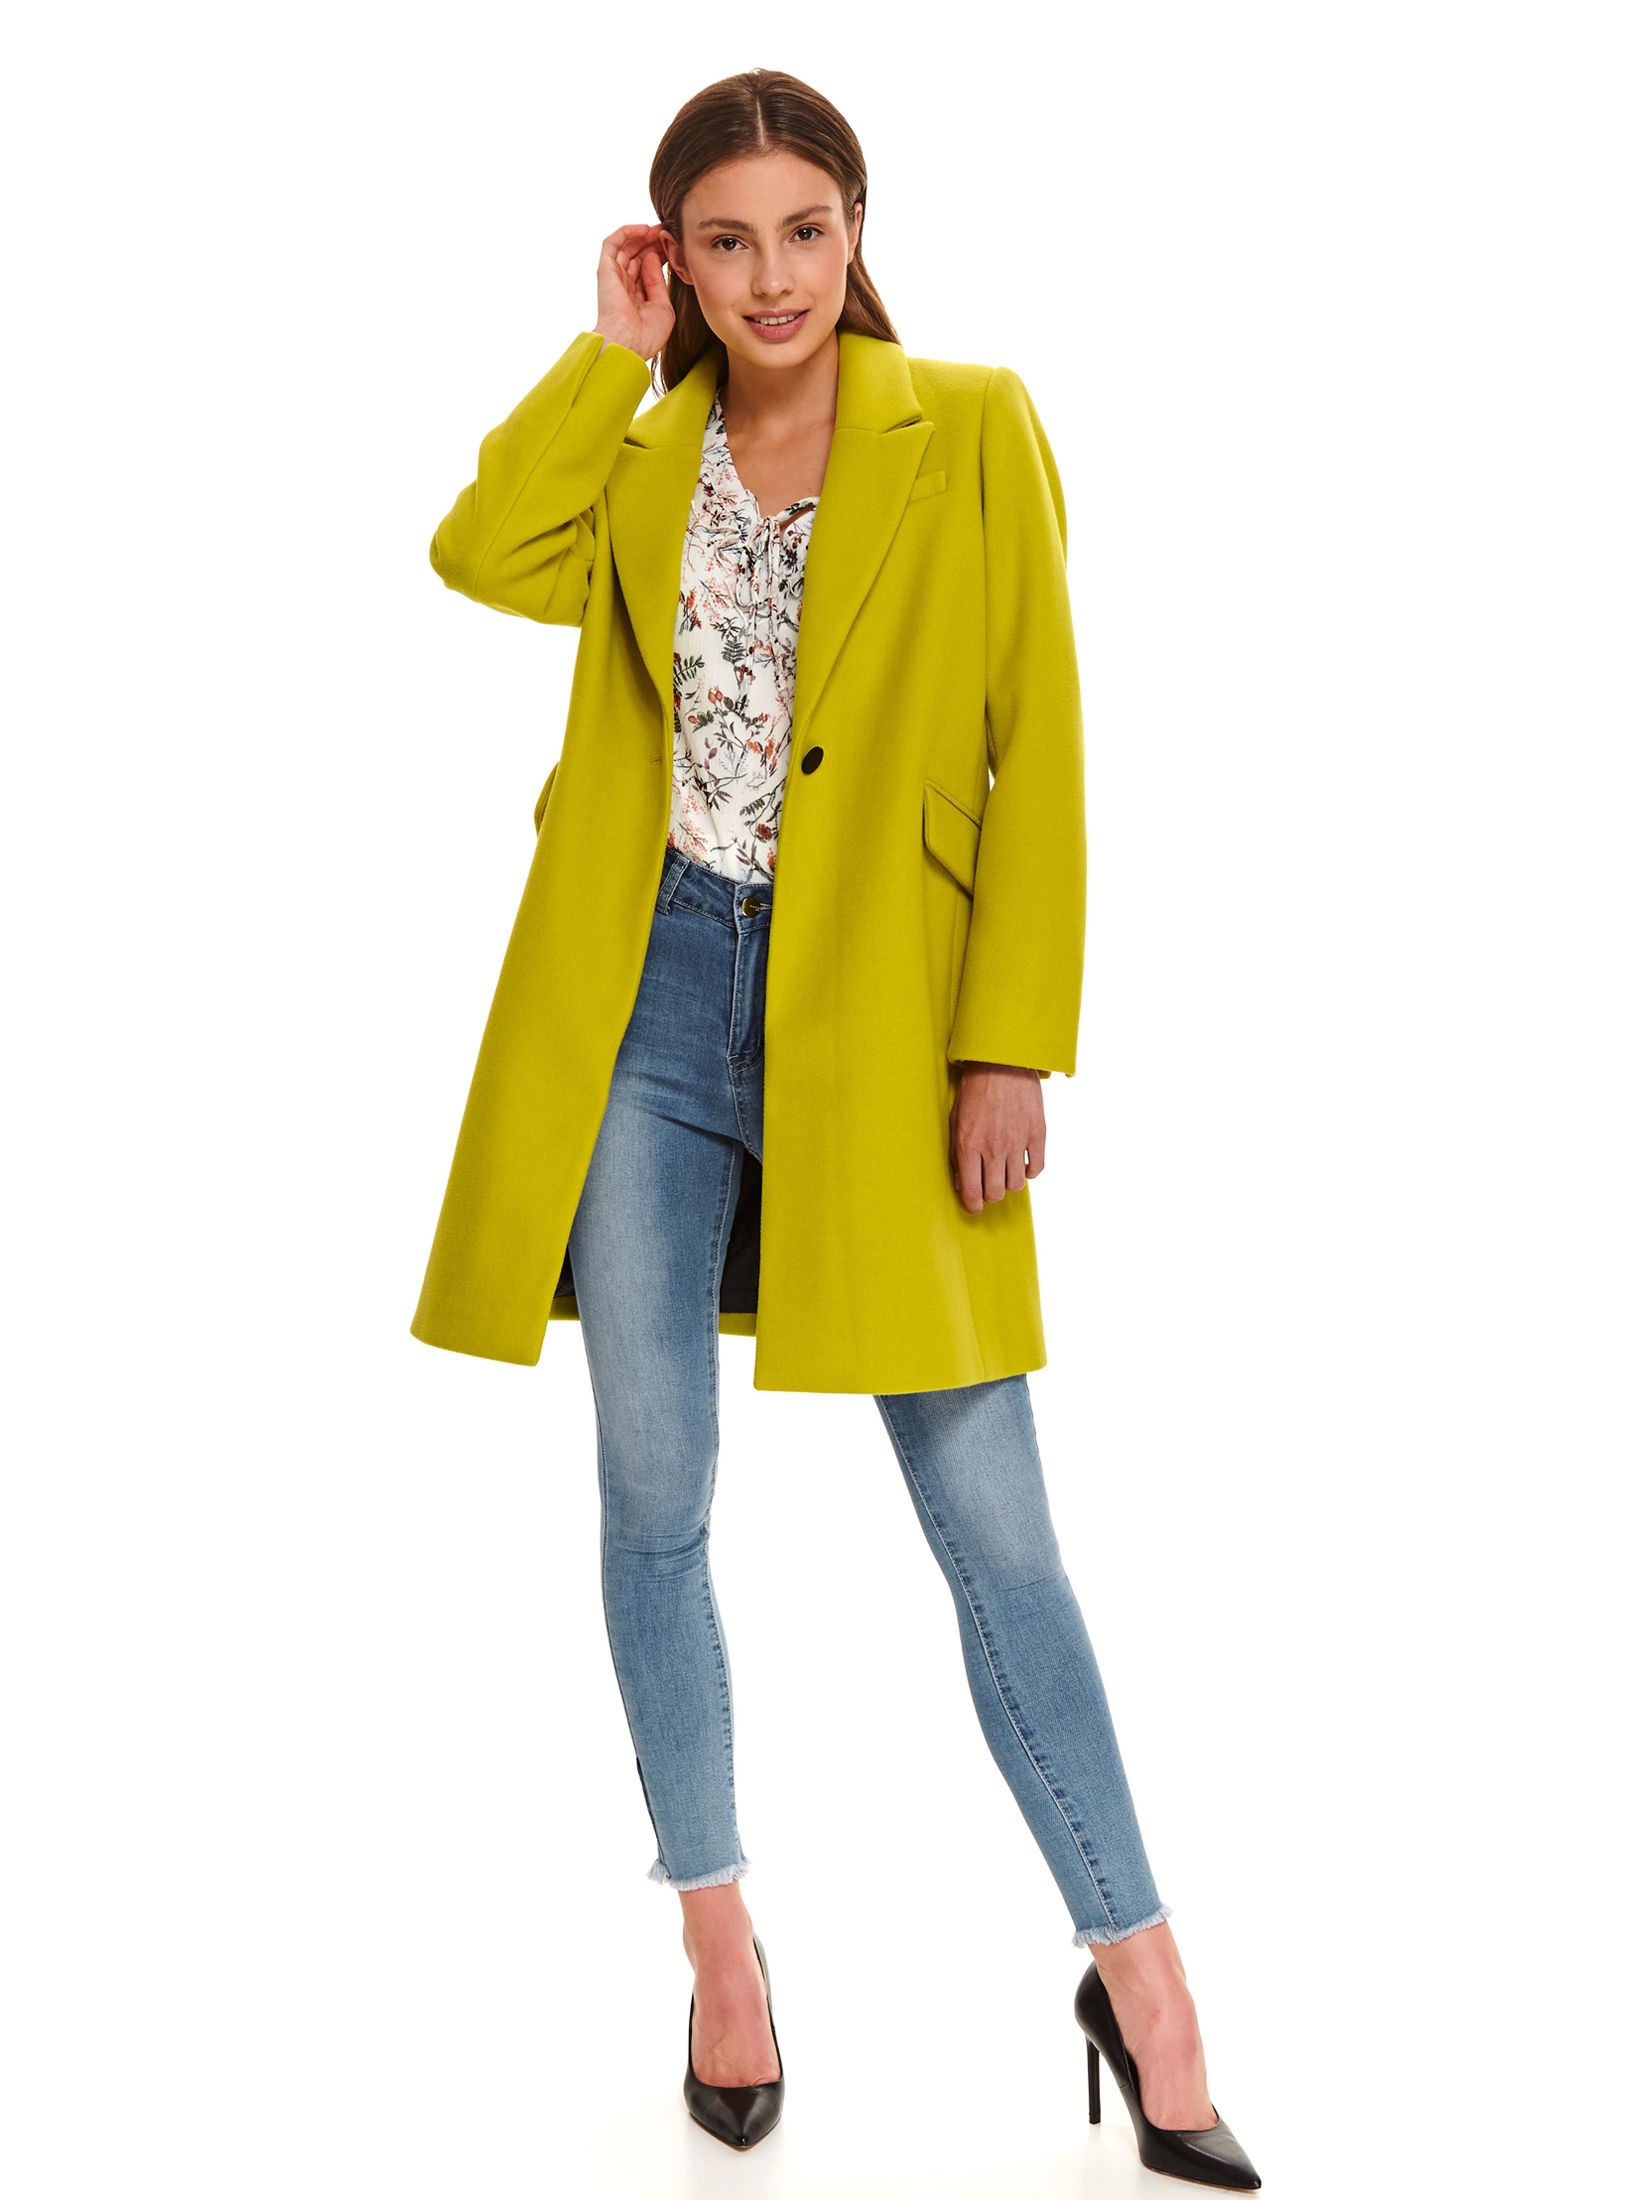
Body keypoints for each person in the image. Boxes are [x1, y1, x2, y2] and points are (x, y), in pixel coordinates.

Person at [413, 68, 1260, 2185]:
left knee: (995, 1528)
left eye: (805, 229)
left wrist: (1010, 1045)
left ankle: (1144, 1974)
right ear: (677, 261)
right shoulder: (643, 445)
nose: (772, 275)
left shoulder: (966, 424)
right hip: (643, 1007)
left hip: (883, 1023)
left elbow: (1039, 733)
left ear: (856, 230)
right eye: (725, 241)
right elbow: (478, 551)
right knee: (651, 1502)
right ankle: (720, 1947)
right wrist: (604, 361)